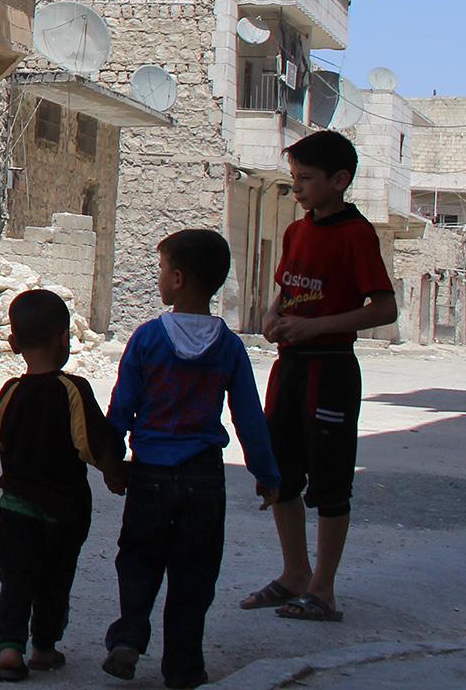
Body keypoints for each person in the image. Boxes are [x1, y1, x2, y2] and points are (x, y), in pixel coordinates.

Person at [102, 230, 281, 689]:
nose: (159, 277)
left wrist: (110, 460)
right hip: (204, 477)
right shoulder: (230, 347)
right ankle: (182, 667)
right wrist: (267, 474)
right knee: (194, 573)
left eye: (162, 269)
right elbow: (249, 419)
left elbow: (122, 407)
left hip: (150, 474)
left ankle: (128, 639)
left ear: (178, 279)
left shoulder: (147, 338)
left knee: (139, 559)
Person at [237, 129, 396, 625]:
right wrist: (272, 314)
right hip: (290, 367)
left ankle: (323, 590)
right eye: (294, 178)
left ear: (339, 180)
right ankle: (294, 573)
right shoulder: (296, 230)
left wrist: (315, 327)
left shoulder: (357, 234)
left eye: (306, 179)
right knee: (280, 476)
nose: (298, 187)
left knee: (329, 482)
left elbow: (384, 308)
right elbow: (286, 286)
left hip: (330, 369)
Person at [0, 288, 127, 682]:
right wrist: (116, 474)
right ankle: (44, 649)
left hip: (14, 508)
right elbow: (92, 445)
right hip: (62, 513)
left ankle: (10, 650)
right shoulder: (73, 389)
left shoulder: (11, 391)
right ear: (65, 338)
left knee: (15, 579)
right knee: (54, 581)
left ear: (13, 343)